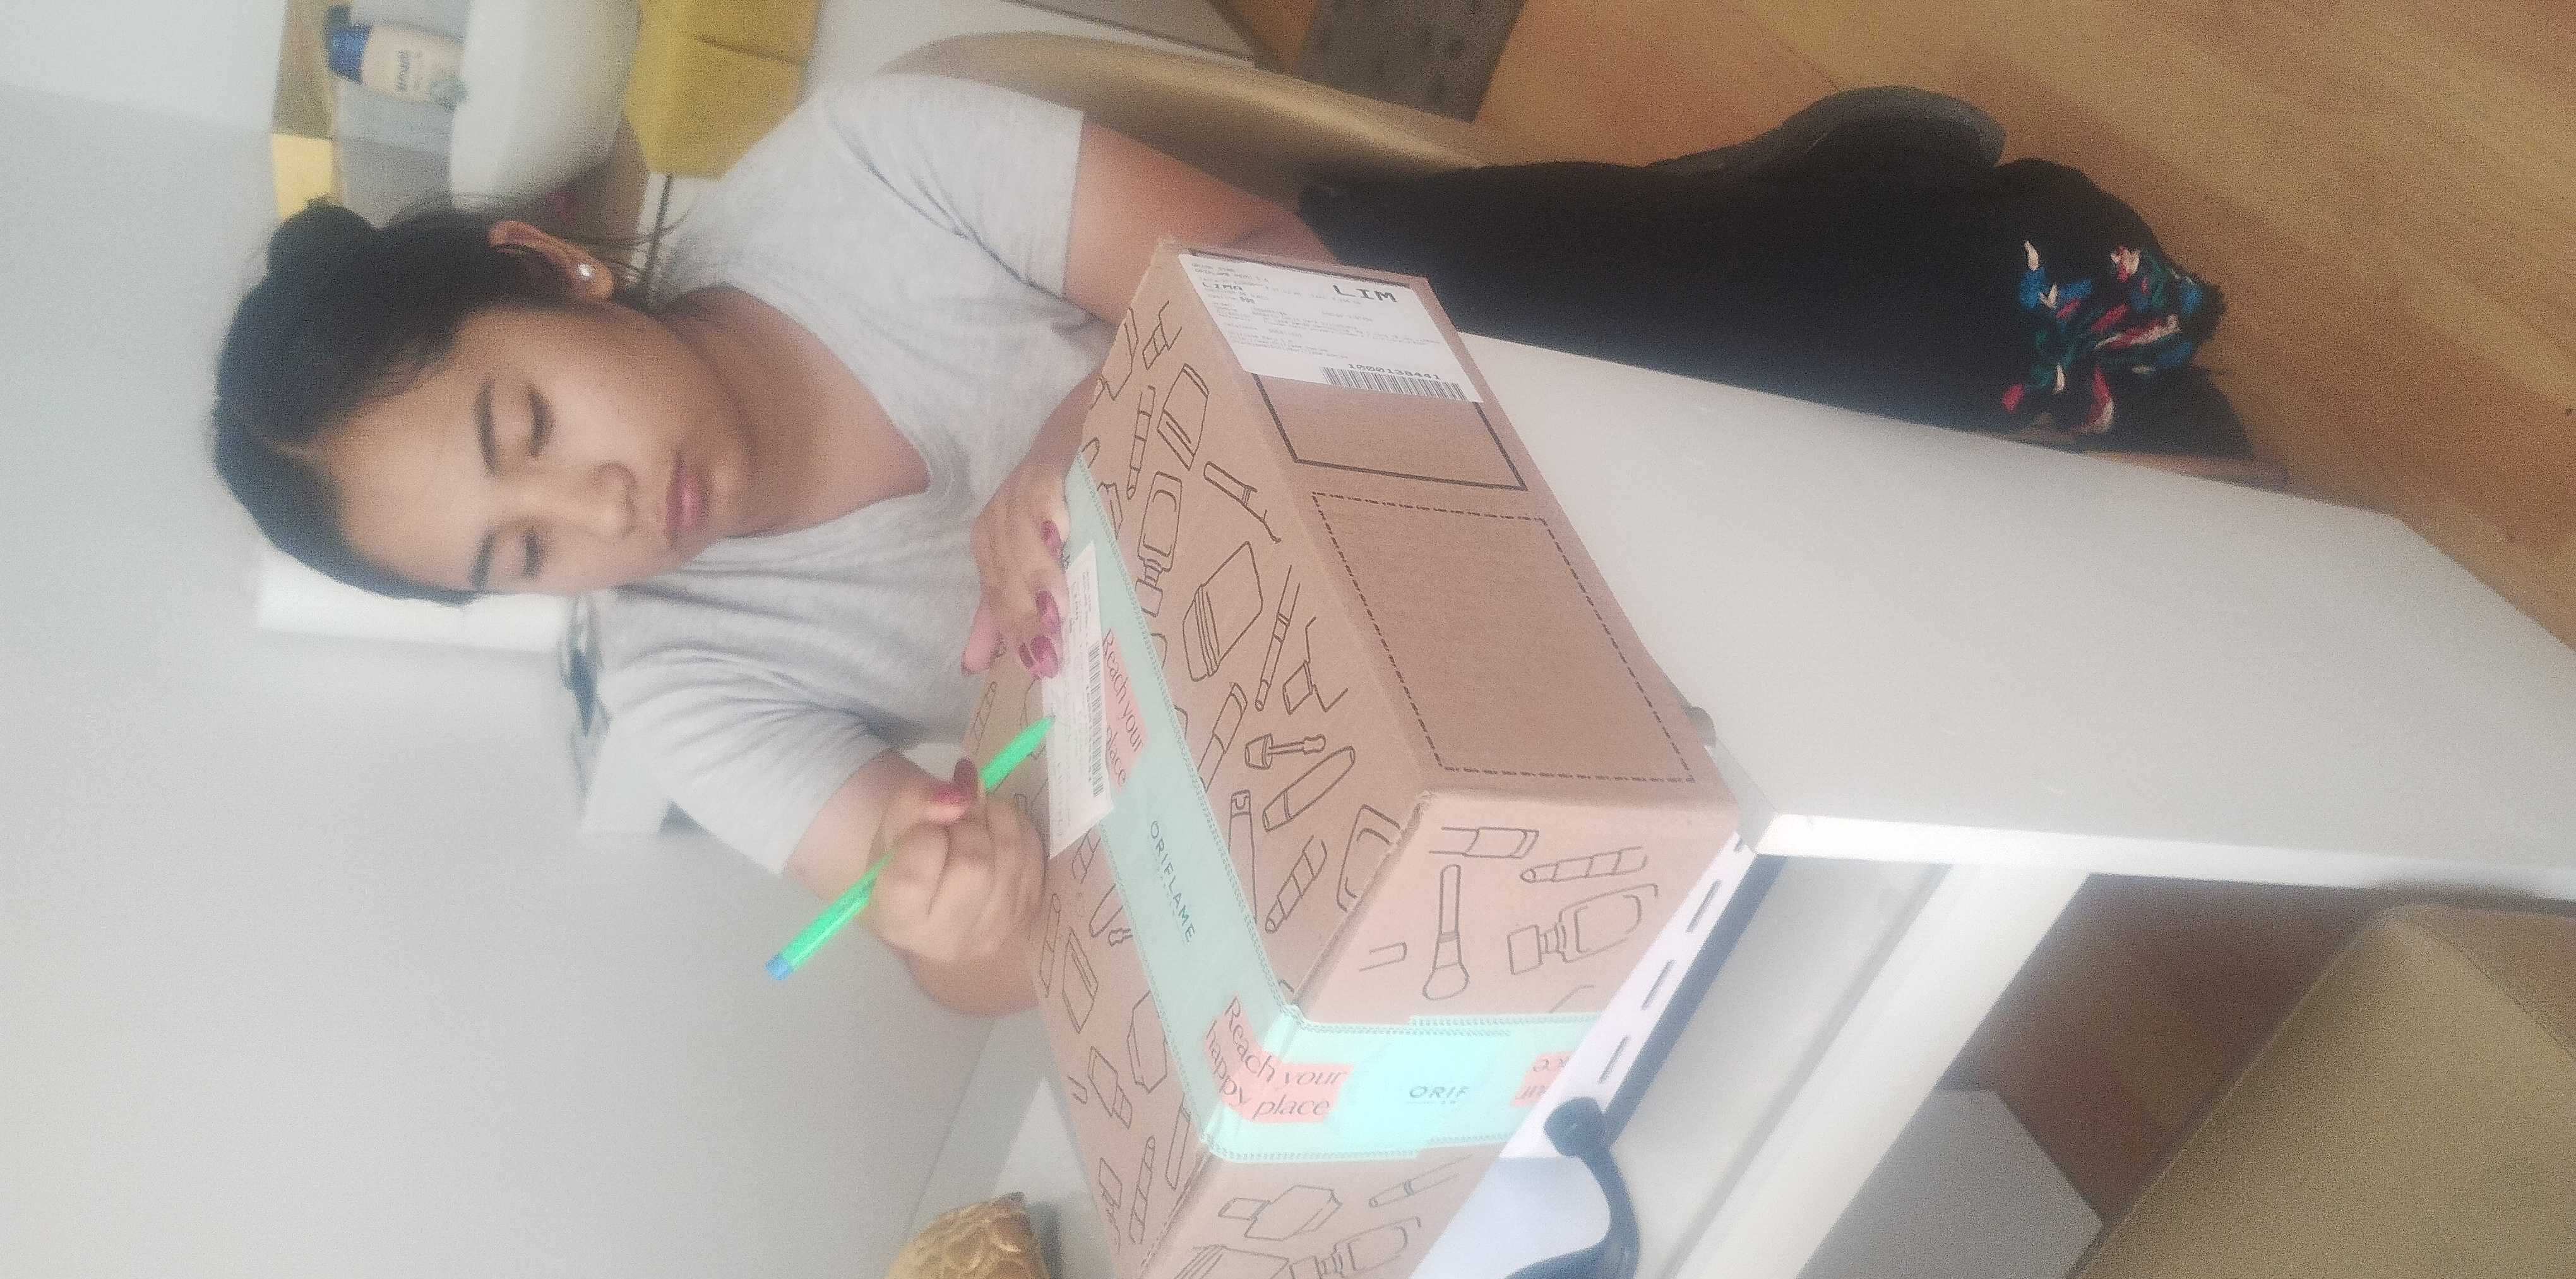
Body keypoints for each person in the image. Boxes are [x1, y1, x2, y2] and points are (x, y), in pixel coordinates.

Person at [212, 76, 2226, 1016]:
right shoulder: (681, 681)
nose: (589, 518)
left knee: (1799, 338)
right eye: (513, 560)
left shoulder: (860, 172)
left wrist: (1090, 431)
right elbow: (973, 956)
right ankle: (1801, 223)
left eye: (529, 427)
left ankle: (1867, 237)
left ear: (553, 267)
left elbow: (1279, 261)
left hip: (1378, 364)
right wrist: (963, 917)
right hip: (1338, 663)